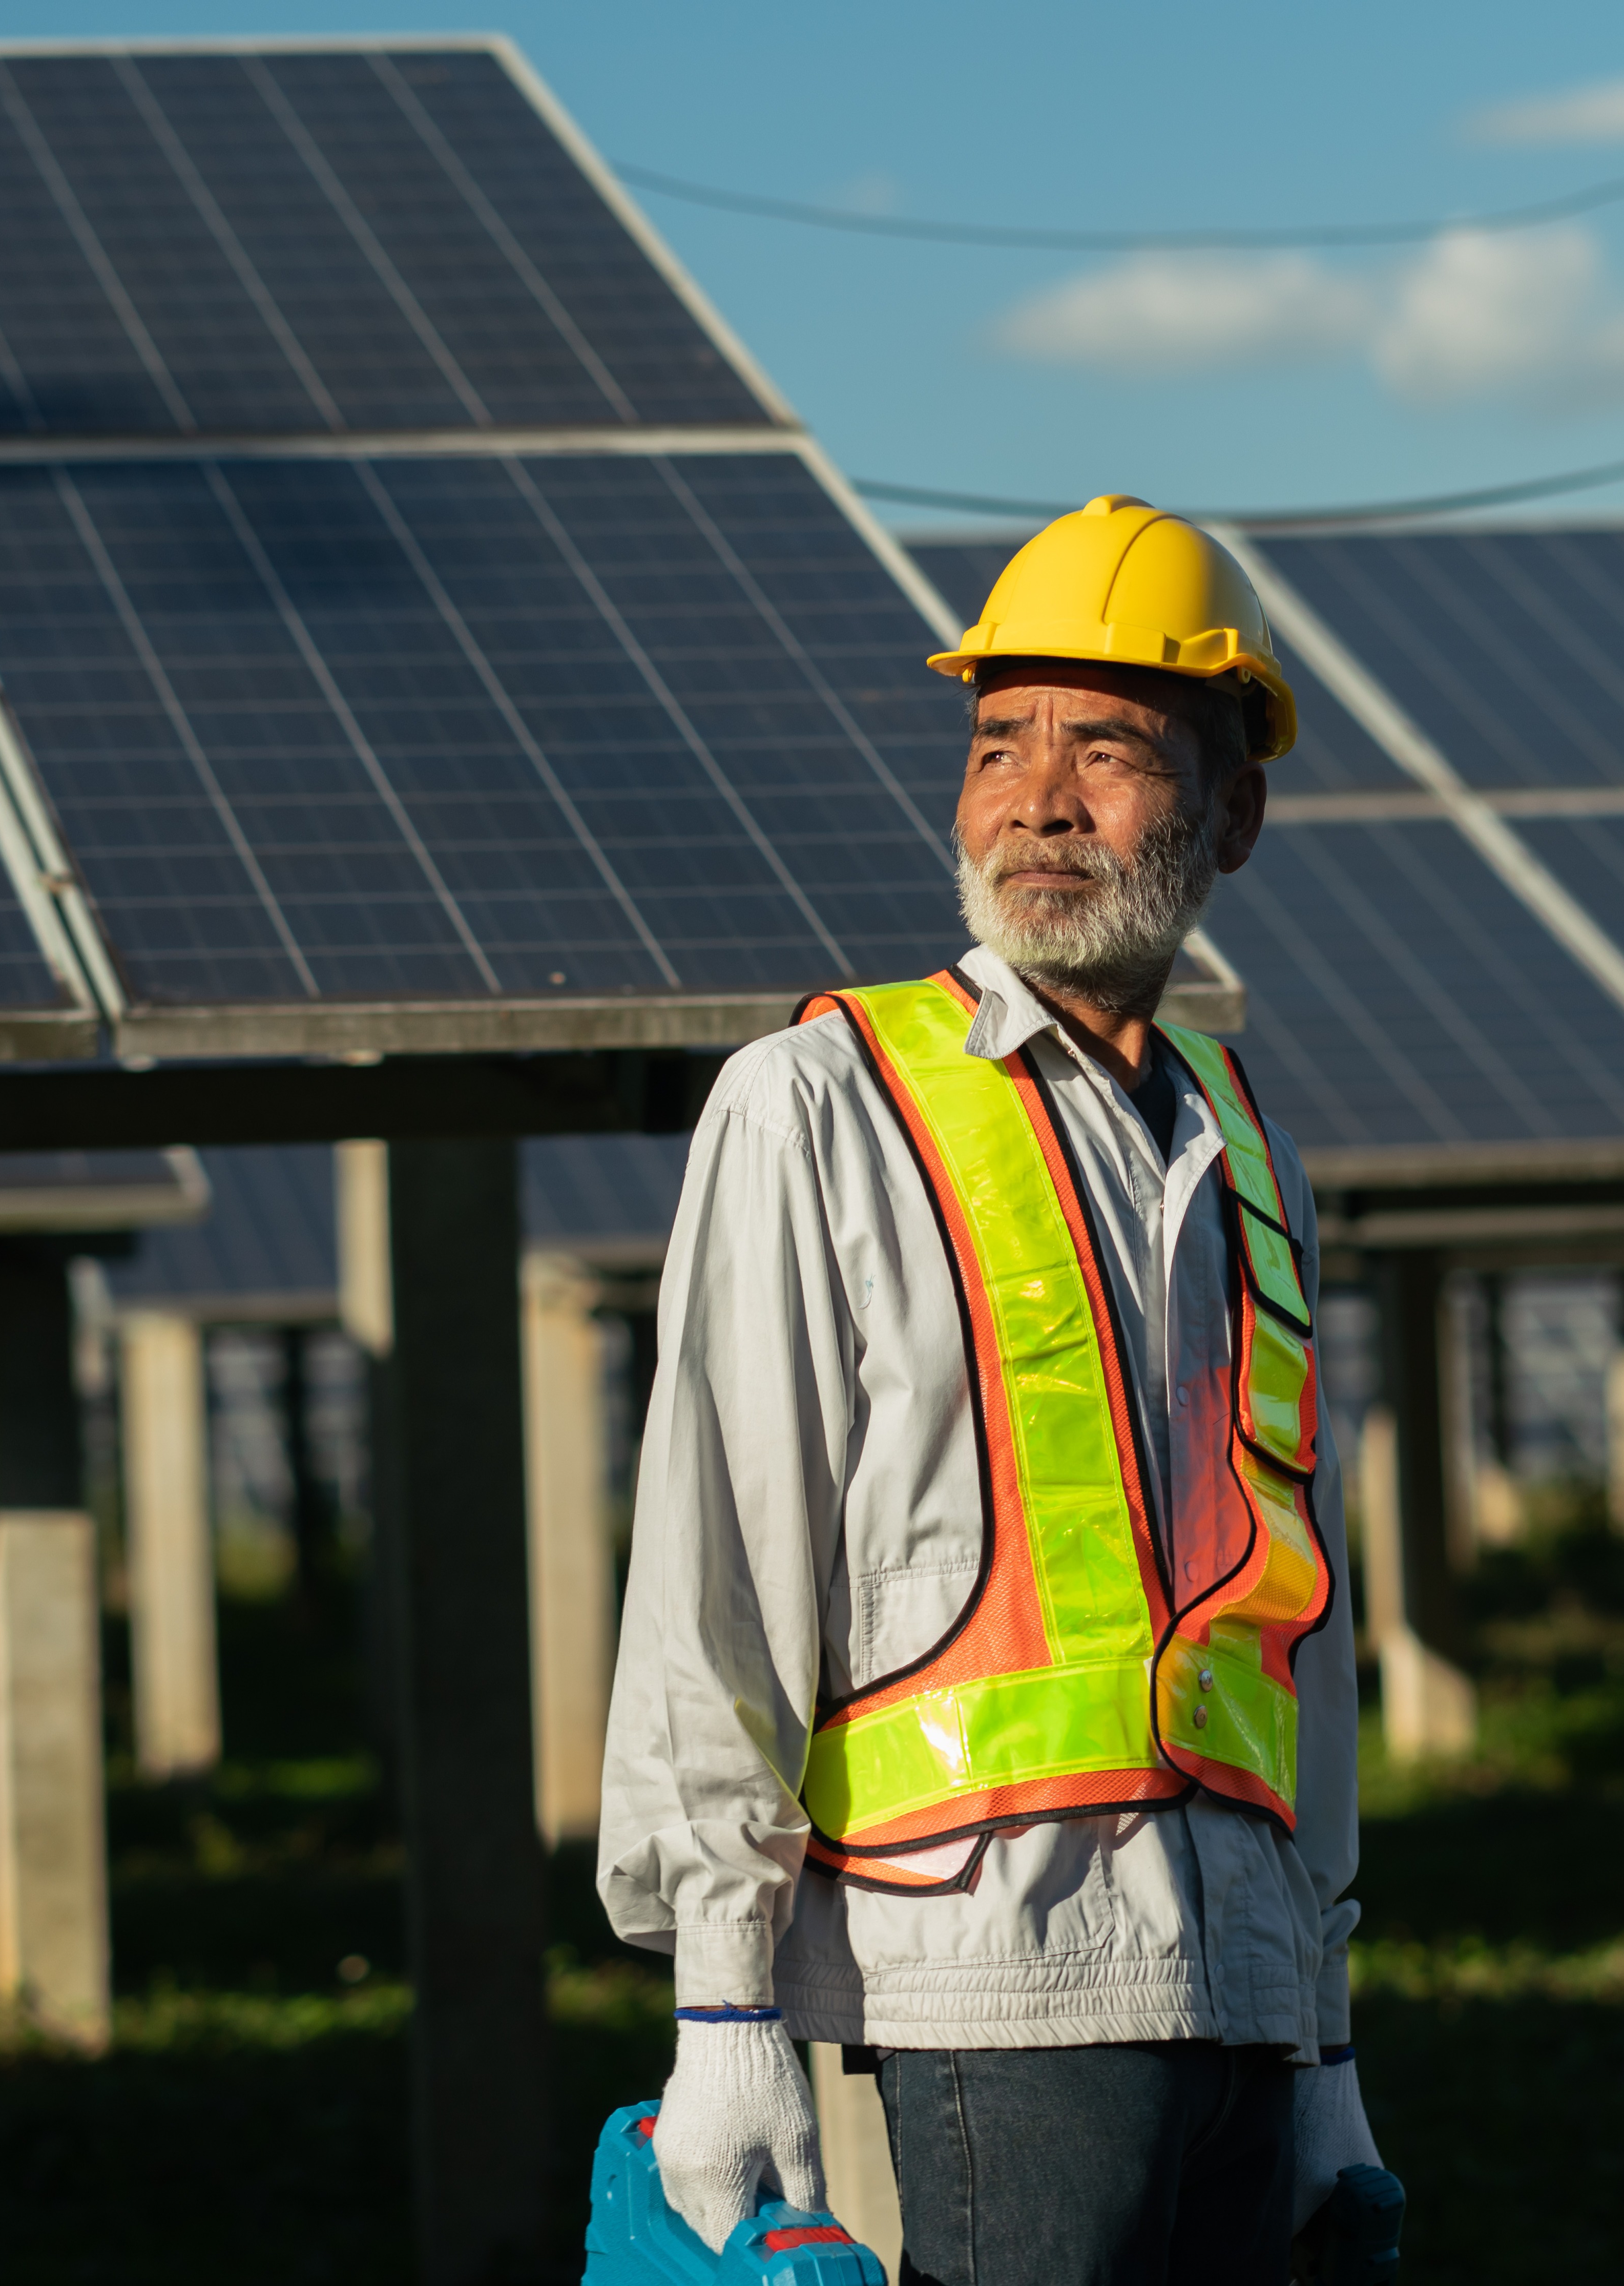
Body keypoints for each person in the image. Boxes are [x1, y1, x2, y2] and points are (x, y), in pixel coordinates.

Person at [598, 495, 1382, 2284]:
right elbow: (715, 1575)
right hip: (991, 1971)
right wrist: (723, 2012)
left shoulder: (1252, 1158)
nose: (1037, 800)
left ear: (1233, 811)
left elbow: (1293, 1635)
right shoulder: (817, 1103)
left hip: (1246, 1986)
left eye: (1106, 747)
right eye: (997, 743)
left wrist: (1326, 2026)